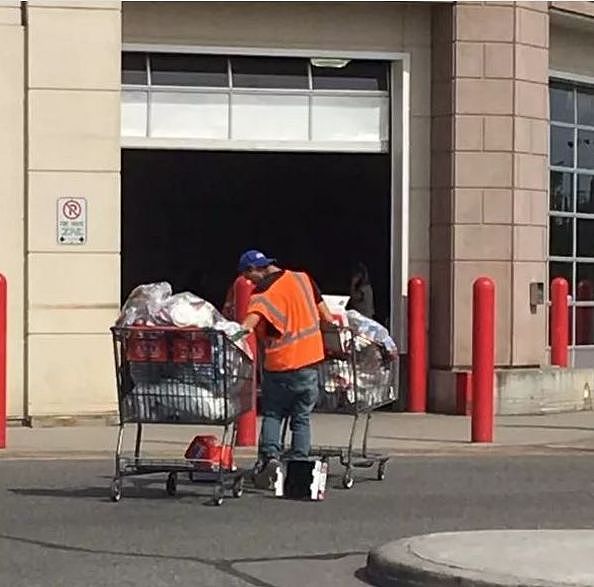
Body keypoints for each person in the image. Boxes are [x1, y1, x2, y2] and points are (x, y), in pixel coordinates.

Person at [236, 249, 334, 489]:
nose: (249, 282)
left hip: (279, 364)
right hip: (309, 362)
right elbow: (327, 317)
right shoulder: (303, 279)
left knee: (273, 413)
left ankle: (270, 457)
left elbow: (252, 321)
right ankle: (300, 465)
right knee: (301, 417)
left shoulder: (262, 294)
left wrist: (237, 331)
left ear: (254, 269)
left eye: (249, 277)